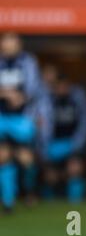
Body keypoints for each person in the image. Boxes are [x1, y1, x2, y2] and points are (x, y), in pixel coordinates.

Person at [0, 32, 41, 212]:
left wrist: (21, 96)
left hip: (22, 119)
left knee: (26, 159)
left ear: (18, 44)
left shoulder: (28, 62)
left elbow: (32, 89)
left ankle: (30, 190)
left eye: (11, 42)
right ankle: (8, 201)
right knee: (3, 156)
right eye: (5, 42)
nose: (8, 46)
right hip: (2, 116)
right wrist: (7, 94)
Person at [41, 72, 86, 203]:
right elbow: (43, 127)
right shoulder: (48, 101)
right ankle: (49, 201)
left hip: (73, 143)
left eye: (65, 86)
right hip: (53, 144)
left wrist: (76, 145)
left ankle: (75, 202)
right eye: (59, 86)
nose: (62, 89)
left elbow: (85, 123)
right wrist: (46, 150)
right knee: (50, 174)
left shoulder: (77, 99)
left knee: (74, 168)